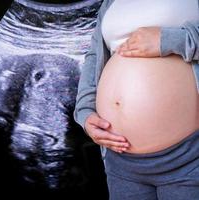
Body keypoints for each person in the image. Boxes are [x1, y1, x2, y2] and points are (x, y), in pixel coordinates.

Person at [73, 0, 199, 199]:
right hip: (120, 161)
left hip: (189, 158)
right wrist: (85, 110)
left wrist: (171, 40)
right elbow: (94, 56)